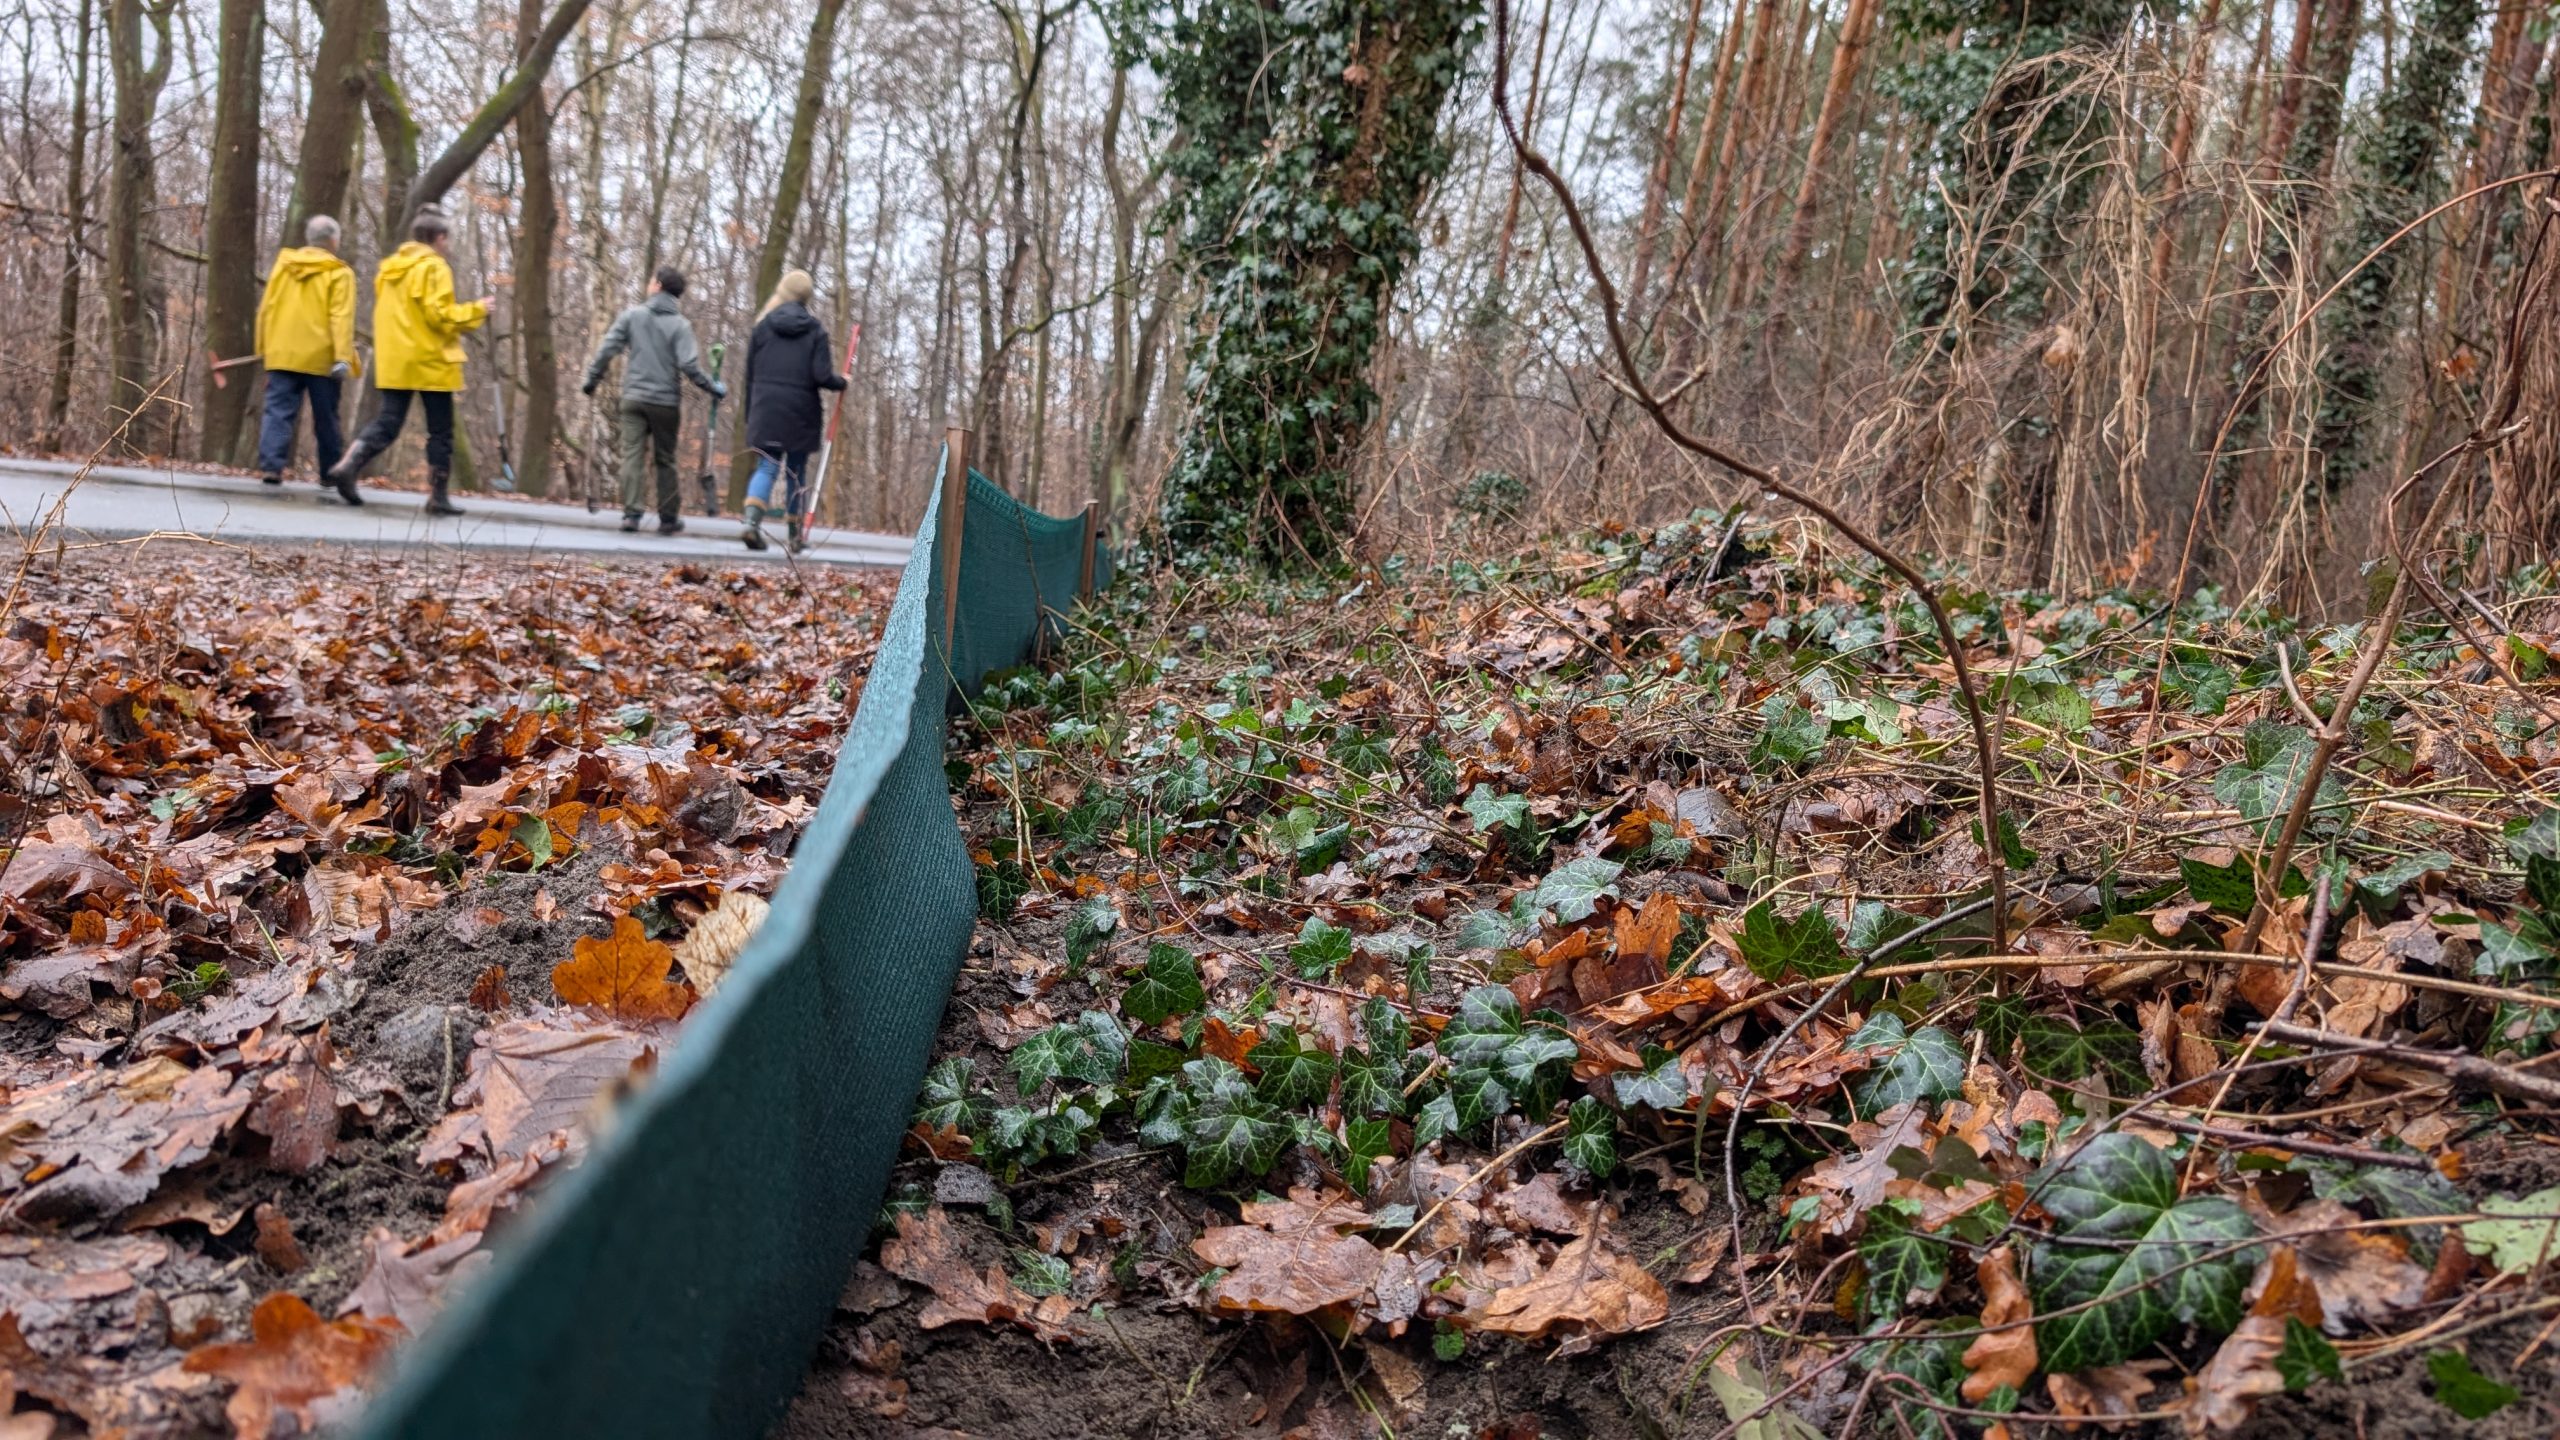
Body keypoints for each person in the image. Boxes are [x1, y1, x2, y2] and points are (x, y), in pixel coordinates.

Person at [325, 209, 491, 514]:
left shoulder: (390, 270)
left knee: (388, 422)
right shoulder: (434, 267)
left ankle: (350, 463)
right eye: (447, 239)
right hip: (430, 359)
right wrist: (477, 309)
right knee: (440, 430)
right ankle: (438, 496)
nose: (448, 245)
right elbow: (439, 315)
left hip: (396, 359)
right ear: (439, 238)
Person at [583, 265, 727, 534]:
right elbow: (689, 366)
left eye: (651, 281)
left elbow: (607, 348)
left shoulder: (633, 317)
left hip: (634, 398)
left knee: (632, 455)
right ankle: (668, 518)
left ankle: (632, 515)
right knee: (665, 459)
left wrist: (592, 379)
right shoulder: (681, 326)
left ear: (658, 285)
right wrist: (713, 387)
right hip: (665, 402)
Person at [738, 269, 846, 553]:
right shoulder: (815, 330)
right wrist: (842, 382)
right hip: (801, 411)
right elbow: (822, 376)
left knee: (766, 467)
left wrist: (751, 414)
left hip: (766, 408)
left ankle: (751, 524)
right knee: (796, 472)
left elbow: (749, 376)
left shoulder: (762, 327)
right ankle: (794, 536)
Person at [252, 215, 357, 487]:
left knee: (278, 412)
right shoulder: (339, 273)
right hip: (321, 358)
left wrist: (264, 349)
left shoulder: (284, 267)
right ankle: (330, 473)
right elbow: (340, 317)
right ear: (333, 241)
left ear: (309, 239)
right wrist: (343, 357)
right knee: (326, 417)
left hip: (282, 353)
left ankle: (271, 467)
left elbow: (266, 309)